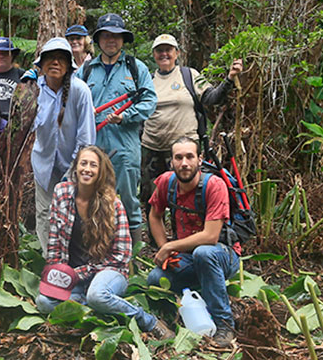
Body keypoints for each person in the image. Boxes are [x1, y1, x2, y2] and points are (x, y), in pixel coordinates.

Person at [35, 147, 174, 339]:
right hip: (74, 275)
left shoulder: (112, 204)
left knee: (97, 295)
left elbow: (121, 256)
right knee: (43, 302)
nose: (87, 169)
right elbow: (55, 243)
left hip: (109, 271)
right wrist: (57, 274)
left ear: (101, 171)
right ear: (76, 168)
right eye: (83, 163)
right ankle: (97, 306)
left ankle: (147, 321)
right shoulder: (62, 193)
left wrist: (81, 272)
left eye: (93, 165)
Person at [145, 137, 241, 347]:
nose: (184, 163)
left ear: (200, 159)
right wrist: (164, 249)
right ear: (172, 162)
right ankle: (176, 316)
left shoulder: (214, 186)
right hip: (188, 258)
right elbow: (154, 215)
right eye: (178, 158)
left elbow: (210, 236)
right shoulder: (166, 183)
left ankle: (224, 323)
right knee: (155, 279)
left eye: (190, 157)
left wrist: (170, 246)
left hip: (222, 255)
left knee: (204, 253)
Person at [76, 13, 157, 245]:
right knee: (91, 199)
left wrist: (125, 117)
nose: (111, 40)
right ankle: (95, 249)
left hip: (125, 147)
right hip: (93, 147)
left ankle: (133, 254)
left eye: (116, 36)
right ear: (98, 40)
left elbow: (149, 101)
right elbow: (72, 100)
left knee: (129, 200)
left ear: (123, 40)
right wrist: (86, 112)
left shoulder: (135, 68)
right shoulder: (87, 69)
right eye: (106, 36)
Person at [140, 33, 244, 211]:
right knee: (152, 201)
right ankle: (155, 231)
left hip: (184, 150)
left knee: (185, 199)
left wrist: (230, 78)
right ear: (154, 55)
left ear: (177, 53)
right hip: (152, 149)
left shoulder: (189, 75)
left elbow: (212, 98)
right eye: (159, 50)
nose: (164, 54)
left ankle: (183, 230)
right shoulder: (147, 80)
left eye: (168, 50)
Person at [30, 37, 96, 251]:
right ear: (42, 63)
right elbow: (23, 129)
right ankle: (50, 259)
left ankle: (76, 257)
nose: (56, 63)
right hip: (43, 163)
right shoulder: (34, 90)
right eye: (50, 58)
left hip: (74, 163)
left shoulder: (80, 90)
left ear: (69, 65)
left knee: (75, 212)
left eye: (61, 58)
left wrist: (75, 170)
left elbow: (86, 136)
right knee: (45, 213)